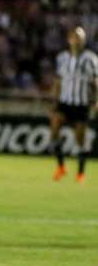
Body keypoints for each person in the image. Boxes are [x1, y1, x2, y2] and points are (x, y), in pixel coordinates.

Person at [50, 26, 98, 184]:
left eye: (79, 37)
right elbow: (58, 81)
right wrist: (54, 101)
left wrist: (96, 101)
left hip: (81, 104)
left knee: (80, 139)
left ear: (84, 40)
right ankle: (61, 166)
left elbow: (95, 82)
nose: (76, 39)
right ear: (69, 39)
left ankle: (80, 173)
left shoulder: (90, 59)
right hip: (65, 102)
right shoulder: (62, 57)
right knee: (55, 126)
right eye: (74, 36)